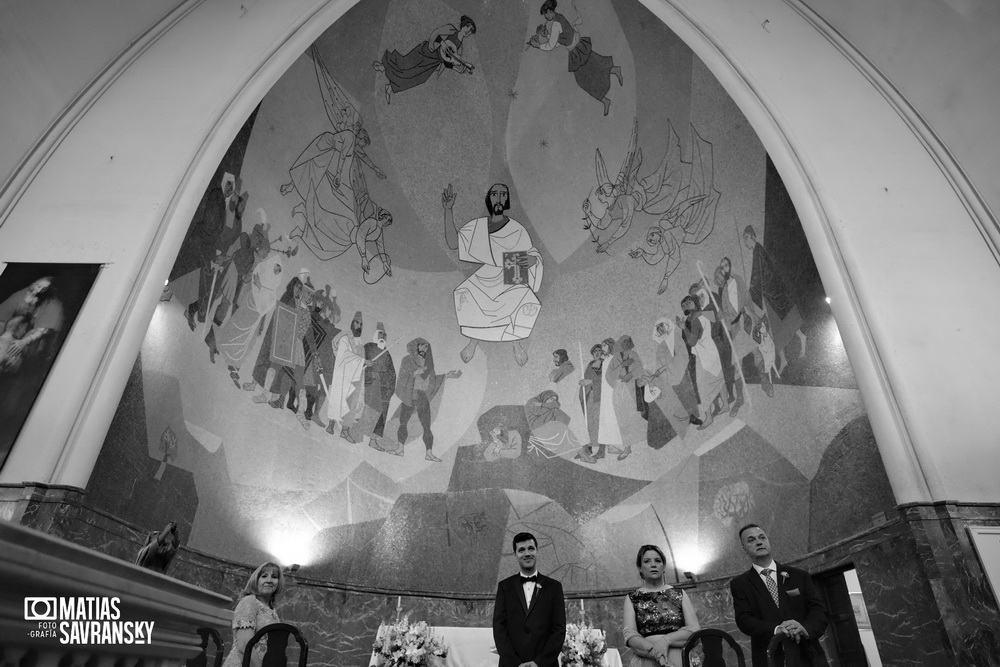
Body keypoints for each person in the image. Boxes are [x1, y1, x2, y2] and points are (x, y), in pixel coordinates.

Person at [443, 183, 542, 367]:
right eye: (495, 194)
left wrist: (533, 260)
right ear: (489, 198)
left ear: (507, 200)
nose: (498, 198)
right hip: (487, 273)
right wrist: (448, 211)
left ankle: (517, 343)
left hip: (512, 268)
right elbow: (452, 242)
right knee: (464, 293)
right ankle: (473, 342)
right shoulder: (477, 226)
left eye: (503, 194)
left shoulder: (517, 229)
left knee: (525, 300)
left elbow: (531, 254)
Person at [730, 524, 829, 667]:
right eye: (751, 540)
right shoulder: (740, 584)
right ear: (744, 548)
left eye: (762, 537)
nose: (759, 542)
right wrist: (777, 629)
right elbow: (744, 619)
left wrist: (804, 628)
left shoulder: (799, 576)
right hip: (769, 658)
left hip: (808, 655)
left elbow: (819, 611)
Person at [528, 0, 623, 116]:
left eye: (545, 14)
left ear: (550, 11)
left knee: (583, 79)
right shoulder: (559, 18)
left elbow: (551, 46)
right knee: (596, 65)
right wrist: (546, 35)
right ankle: (613, 74)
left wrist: (538, 45)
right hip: (578, 47)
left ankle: (606, 98)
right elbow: (560, 40)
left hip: (576, 51)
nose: (545, 16)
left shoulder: (556, 24)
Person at [493, 532, 566, 667]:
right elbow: (499, 629)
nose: (527, 553)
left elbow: (559, 629)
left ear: (537, 551)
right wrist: (515, 663)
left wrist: (539, 662)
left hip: (545, 664)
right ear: (515, 554)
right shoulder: (504, 587)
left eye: (531, 548)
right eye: (521, 550)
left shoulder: (554, 587)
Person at [743, 225, 807, 374]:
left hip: (773, 297)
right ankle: (784, 358)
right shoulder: (756, 252)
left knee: (782, 324)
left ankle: (801, 340)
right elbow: (757, 276)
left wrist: (752, 288)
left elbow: (760, 276)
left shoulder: (758, 251)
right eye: (744, 239)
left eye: (746, 238)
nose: (745, 242)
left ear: (752, 237)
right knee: (776, 328)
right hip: (768, 297)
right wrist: (753, 287)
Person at [623, 545, 700, 667]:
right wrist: (657, 654)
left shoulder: (679, 594)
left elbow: (694, 631)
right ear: (640, 568)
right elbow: (631, 636)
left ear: (663, 567)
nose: (653, 565)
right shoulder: (632, 598)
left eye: (657, 561)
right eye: (647, 561)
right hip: (647, 662)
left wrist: (666, 641)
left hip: (680, 661)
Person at [374, 16, 477, 104]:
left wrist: (458, 68)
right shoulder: (451, 29)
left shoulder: (460, 48)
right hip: (427, 50)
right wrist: (441, 44)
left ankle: (390, 88)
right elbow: (435, 35)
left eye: (471, 30)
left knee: (417, 78)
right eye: (468, 26)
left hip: (434, 62)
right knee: (406, 64)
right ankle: (384, 66)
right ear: (463, 24)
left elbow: (448, 62)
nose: (468, 30)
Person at [389, 337, 461, 461]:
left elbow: (433, 380)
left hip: (422, 397)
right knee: (403, 423)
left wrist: (447, 376)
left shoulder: (428, 364)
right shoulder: (407, 360)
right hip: (409, 395)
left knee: (426, 426)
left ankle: (429, 453)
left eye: (426, 346)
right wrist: (415, 373)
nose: (424, 348)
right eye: (421, 345)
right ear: (415, 346)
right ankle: (400, 449)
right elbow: (402, 377)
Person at [221, 562, 285, 667]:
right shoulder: (249, 602)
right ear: (256, 580)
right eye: (264, 576)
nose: (269, 580)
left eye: (274, 577)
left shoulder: (272, 609)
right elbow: (244, 645)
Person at [326, 311, 368, 438]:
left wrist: (363, 364)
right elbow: (344, 355)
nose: (359, 326)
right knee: (338, 400)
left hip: (354, 379)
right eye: (357, 323)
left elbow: (361, 363)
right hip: (343, 375)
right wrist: (362, 361)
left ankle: (345, 430)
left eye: (361, 324)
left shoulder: (360, 345)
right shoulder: (345, 338)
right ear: (352, 324)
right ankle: (331, 424)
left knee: (351, 404)